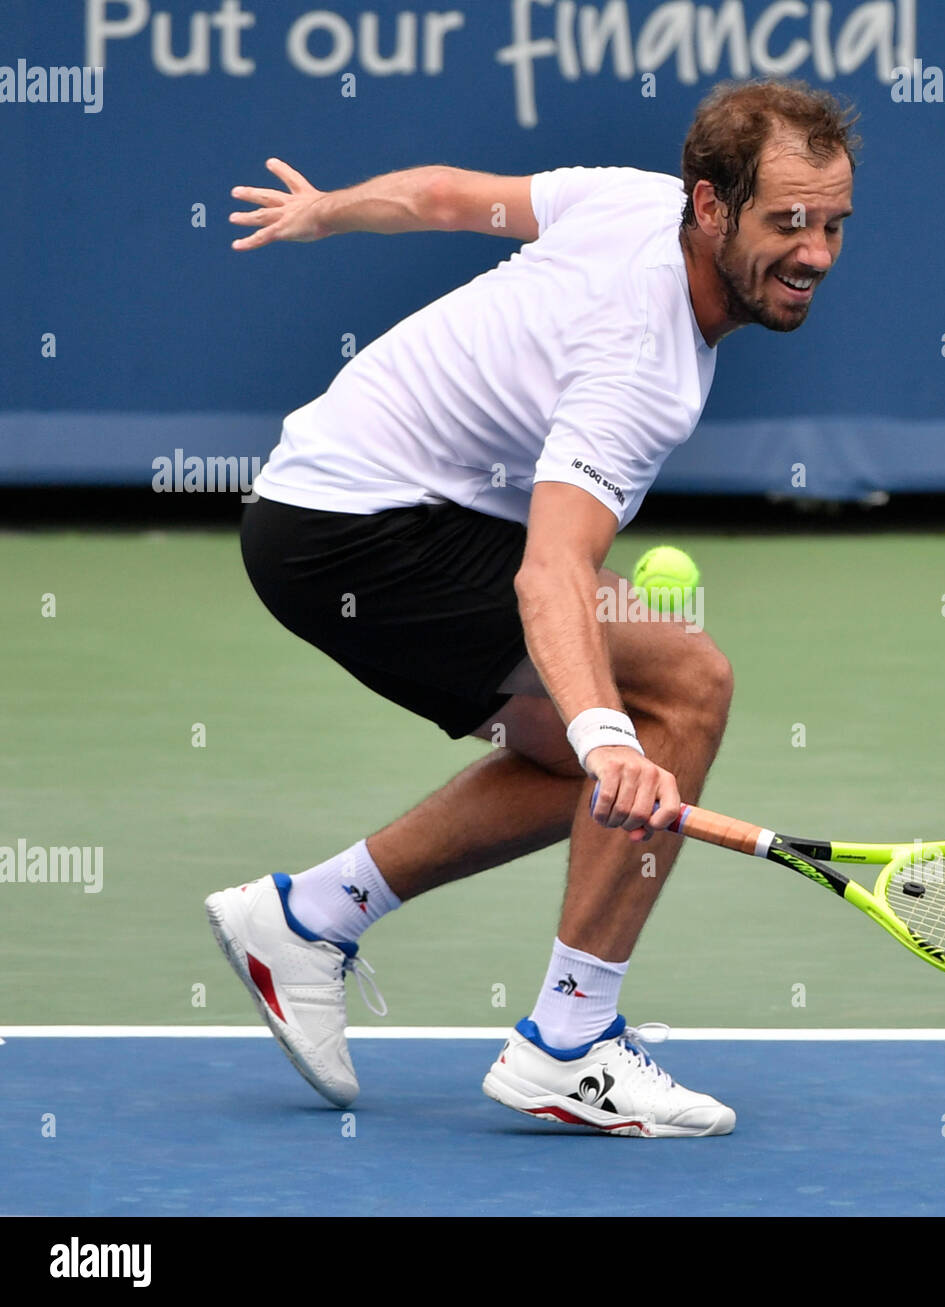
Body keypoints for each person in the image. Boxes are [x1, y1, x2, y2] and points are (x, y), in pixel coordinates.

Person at [205, 78, 857, 1138]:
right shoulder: (641, 366)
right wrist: (607, 737)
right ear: (710, 207)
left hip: (330, 506)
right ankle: (567, 1043)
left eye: (831, 224)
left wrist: (328, 210)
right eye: (787, 222)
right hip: (359, 530)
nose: (815, 252)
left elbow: (441, 197)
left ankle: (306, 915)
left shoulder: (629, 198)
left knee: (606, 756)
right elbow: (551, 571)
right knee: (684, 691)